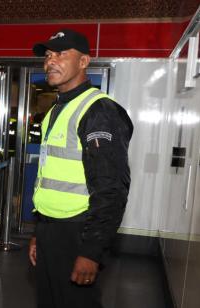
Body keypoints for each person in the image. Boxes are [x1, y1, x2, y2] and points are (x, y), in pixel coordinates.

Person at [28, 29, 133, 308]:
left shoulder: (99, 111)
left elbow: (111, 188)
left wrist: (91, 252)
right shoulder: (55, 110)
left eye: (61, 54)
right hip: (51, 230)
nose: (51, 61)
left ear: (84, 61)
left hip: (78, 232)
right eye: (48, 55)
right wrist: (40, 233)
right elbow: (48, 177)